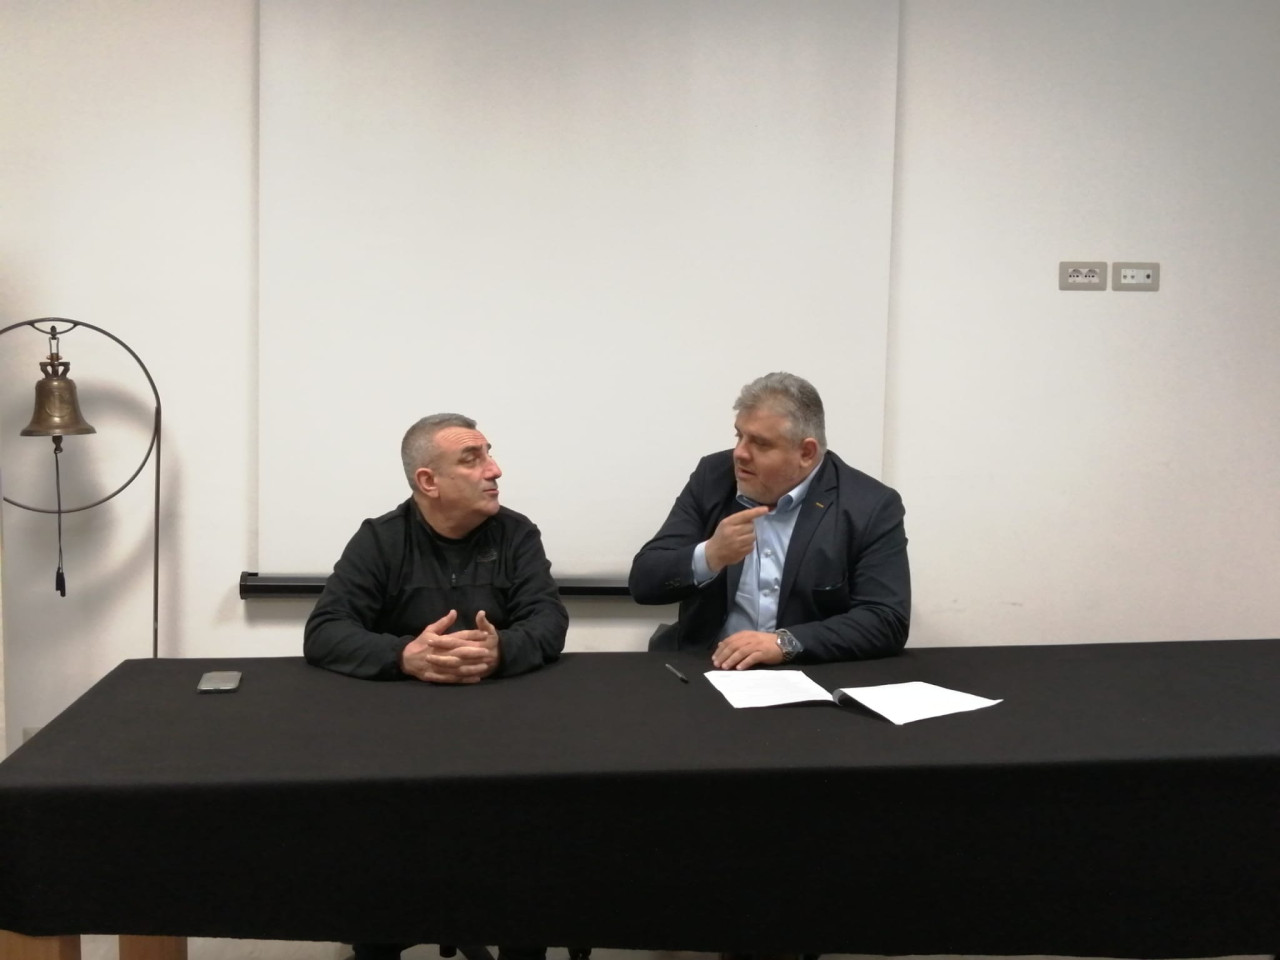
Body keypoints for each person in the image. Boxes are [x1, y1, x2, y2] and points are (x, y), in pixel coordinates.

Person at [305, 413, 567, 960]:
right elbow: (325, 631)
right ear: (428, 481)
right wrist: (405, 655)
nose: (495, 470)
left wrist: (500, 650)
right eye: (473, 459)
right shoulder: (380, 539)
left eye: (488, 453)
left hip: (503, 734)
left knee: (530, 846)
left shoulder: (516, 533)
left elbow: (548, 621)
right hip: (399, 738)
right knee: (382, 848)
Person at [629, 372, 910, 668]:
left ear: (806, 452)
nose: (740, 453)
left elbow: (886, 619)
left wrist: (785, 643)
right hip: (710, 665)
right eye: (739, 436)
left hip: (806, 671)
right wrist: (710, 555)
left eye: (760, 444)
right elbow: (645, 582)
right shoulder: (713, 478)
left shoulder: (869, 505)